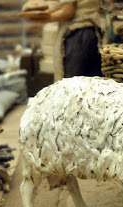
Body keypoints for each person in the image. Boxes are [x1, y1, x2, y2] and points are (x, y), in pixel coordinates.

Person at [22, 0, 106, 188]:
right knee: (91, 95)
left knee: (69, 99)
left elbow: (68, 11)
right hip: (92, 34)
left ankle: (66, 163)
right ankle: (92, 155)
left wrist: (44, 17)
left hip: (79, 36)